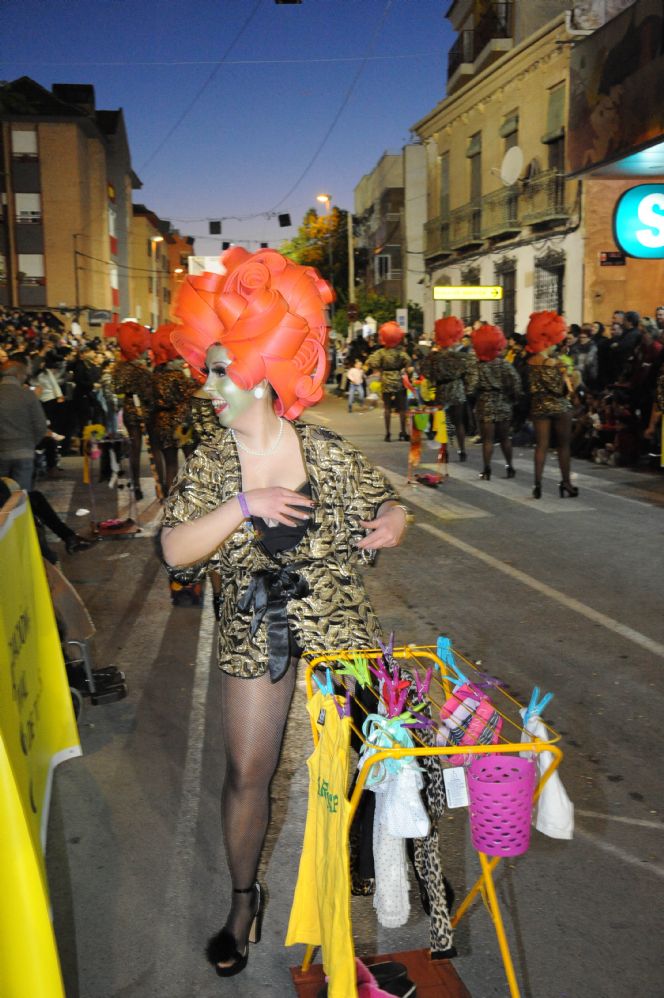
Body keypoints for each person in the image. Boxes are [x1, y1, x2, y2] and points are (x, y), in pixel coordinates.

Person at [160, 247, 408, 979]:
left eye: (219, 373)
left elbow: (387, 502)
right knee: (248, 771)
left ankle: (349, 913)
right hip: (251, 622)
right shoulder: (211, 458)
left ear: (263, 372)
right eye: (204, 371)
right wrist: (245, 505)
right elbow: (174, 549)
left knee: (357, 775)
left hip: (338, 626)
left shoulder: (325, 452)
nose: (206, 389)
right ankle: (244, 901)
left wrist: (395, 518)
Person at [525, 311, 578, 499]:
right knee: (563, 446)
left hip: (539, 407)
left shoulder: (530, 362)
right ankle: (566, 483)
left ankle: (537, 484)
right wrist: (568, 376)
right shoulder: (554, 363)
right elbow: (564, 390)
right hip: (559, 408)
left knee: (541, 445)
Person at [422, 316, 478, 461]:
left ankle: (444, 451)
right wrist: (467, 388)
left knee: (444, 423)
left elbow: (425, 372)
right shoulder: (461, 356)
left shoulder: (433, 357)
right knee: (458, 422)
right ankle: (462, 450)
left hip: (441, 390)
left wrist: (434, 379)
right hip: (457, 389)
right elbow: (472, 372)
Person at [150, 323, 196, 494]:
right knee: (190, 461)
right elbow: (193, 393)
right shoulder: (178, 377)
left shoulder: (156, 375)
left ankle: (169, 502)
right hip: (181, 425)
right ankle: (191, 498)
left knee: (171, 465)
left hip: (162, 424)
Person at [471, 324, 521, 480]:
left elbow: (471, 387)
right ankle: (509, 466)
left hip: (485, 403)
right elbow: (516, 384)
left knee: (487, 440)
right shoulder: (505, 364)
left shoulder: (478, 366)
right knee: (505, 438)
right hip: (503, 402)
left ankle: (487, 469)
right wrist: (513, 399)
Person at [111, 322, 153, 499]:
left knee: (134, 449)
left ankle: (135, 483)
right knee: (142, 448)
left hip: (128, 410)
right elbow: (148, 393)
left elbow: (116, 388)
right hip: (141, 410)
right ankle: (138, 485)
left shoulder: (119, 368)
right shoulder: (141, 370)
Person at [0, 357, 48, 490]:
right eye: (25, 375)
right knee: (21, 495)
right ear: (18, 375)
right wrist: (30, 443)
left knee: (2, 495)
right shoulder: (28, 395)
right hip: (24, 451)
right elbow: (40, 425)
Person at [364, 321, 411, 441]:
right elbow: (408, 362)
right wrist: (402, 369)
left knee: (387, 408)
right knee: (402, 408)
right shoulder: (400, 352)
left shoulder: (380, 353)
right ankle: (403, 432)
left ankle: (388, 434)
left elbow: (370, 362)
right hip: (398, 381)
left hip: (385, 380)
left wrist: (380, 368)